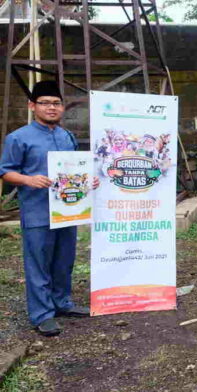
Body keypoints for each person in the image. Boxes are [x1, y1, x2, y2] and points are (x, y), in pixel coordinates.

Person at [0, 80, 98, 336]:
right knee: (38, 263)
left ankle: (62, 303)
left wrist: (89, 179)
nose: (51, 108)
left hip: (67, 209)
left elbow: (75, 169)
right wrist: (28, 179)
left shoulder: (67, 136)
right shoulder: (18, 138)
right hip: (37, 211)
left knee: (64, 260)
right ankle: (42, 314)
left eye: (56, 103)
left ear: (63, 108)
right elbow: (6, 172)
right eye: (44, 103)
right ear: (32, 106)